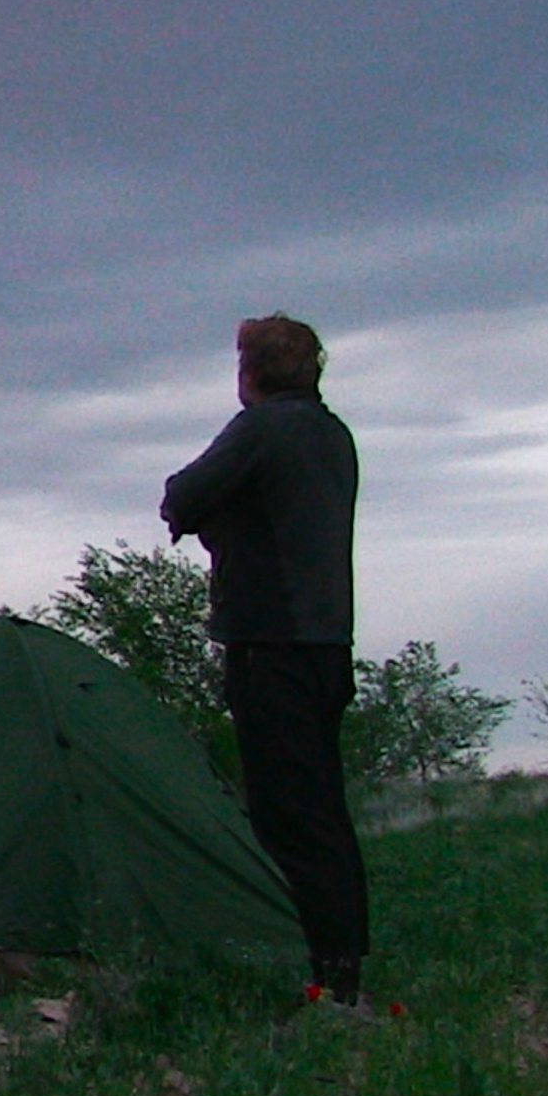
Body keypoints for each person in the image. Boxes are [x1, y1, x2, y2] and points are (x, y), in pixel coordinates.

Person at [159, 314, 368, 1010]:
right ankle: (339, 965)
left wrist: (209, 522)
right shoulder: (333, 435)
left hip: (270, 648)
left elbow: (182, 495)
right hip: (327, 646)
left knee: (292, 819)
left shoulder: (262, 428)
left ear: (249, 373)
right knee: (321, 811)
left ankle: (334, 983)